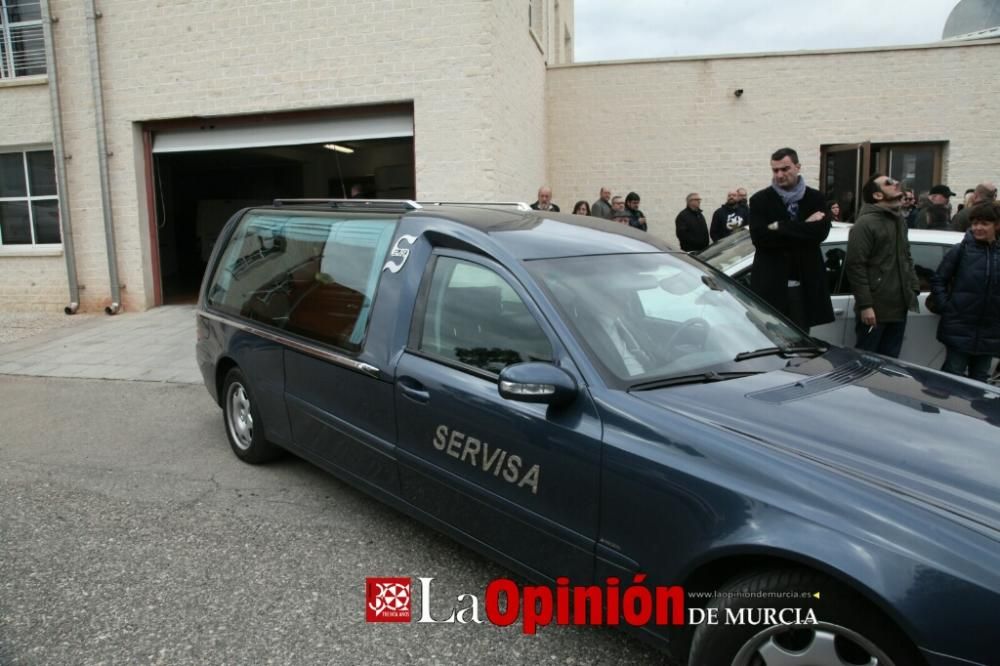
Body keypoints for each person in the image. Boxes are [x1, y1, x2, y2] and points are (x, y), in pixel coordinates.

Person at [748, 147, 834, 331]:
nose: (779, 174)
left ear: (797, 167)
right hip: (771, 284)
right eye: (775, 170)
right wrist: (804, 226)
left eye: (785, 169)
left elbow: (820, 233)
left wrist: (780, 226)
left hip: (806, 284)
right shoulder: (760, 200)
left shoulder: (815, 198)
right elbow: (760, 238)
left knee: (802, 345)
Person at [844, 175, 920, 358]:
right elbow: (855, 266)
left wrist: (913, 286)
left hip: (898, 307)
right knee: (867, 364)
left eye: (894, 181)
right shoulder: (865, 224)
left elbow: (906, 256)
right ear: (877, 195)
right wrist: (866, 305)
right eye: (888, 183)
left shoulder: (899, 220)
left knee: (890, 368)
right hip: (875, 311)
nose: (895, 184)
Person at [931, 202, 1000, 382]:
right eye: (975, 223)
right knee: (952, 380)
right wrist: (947, 307)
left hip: (990, 333)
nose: (978, 228)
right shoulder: (960, 250)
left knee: (980, 384)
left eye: (984, 223)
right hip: (959, 329)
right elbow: (938, 280)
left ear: (996, 225)